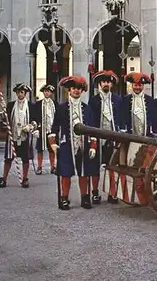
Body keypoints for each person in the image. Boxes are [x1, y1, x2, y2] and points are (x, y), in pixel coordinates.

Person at [49, 76, 98, 210]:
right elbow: (54, 127)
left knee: (84, 172)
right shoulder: (61, 108)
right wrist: (53, 143)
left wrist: (93, 146)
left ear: (82, 91)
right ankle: (64, 198)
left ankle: (85, 198)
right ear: (69, 90)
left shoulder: (87, 109)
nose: (76, 91)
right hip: (66, 144)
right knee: (65, 172)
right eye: (74, 88)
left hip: (83, 145)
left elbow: (92, 129)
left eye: (79, 89)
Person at [88, 70, 123, 204]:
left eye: (108, 82)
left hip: (113, 137)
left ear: (112, 84)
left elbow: (120, 118)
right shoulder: (93, 101)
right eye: (104, 82)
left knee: (112, 166)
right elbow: (91, 120)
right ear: (100, 84)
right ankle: (95, 193)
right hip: (98, 137)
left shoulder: (117, 100)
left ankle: (112, 193)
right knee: (94, 167)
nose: (106, 84)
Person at [0, 83, 38, 189]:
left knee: (25, 158)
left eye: (22, 92)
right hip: (13, 136)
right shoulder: (11, 105)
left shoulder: (31, 106)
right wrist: (1, 110)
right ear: (16, 93)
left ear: (25, 93)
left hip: (25, 137)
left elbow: (36, 120)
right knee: (8, 158)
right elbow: (4, 118)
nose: (20, 94)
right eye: (18, 92)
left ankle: (25, 179)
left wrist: (31, 126)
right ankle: (4, 179)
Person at [122, 72, 156, 136]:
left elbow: (153, 119)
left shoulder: (150, 100)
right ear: (132, 85)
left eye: (140, 85)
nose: (137, 87)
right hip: (130, 136)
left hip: (146, 136)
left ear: (143, 86)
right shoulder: (125, 99)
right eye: (135, 85)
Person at [34, 84, 57, 175]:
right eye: (45, 91)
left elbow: (57, 118)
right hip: (41, 130)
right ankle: (39, 167)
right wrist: (35, 128)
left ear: (51, 93)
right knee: (40, 149)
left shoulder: (55, 104)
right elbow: (35, 117)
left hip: (51, 130)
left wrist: (56, 130)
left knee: (52, 149)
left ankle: (53, 167)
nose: (47, 93)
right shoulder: (38, 104)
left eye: (48, 91)